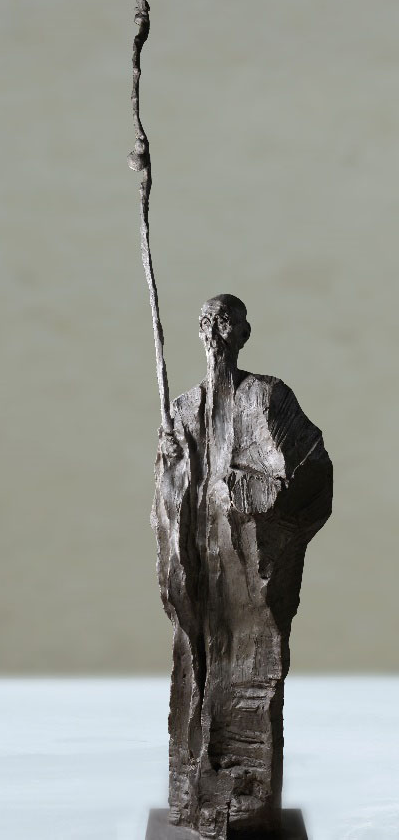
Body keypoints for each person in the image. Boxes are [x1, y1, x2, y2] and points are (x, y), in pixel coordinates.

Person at [152, 294, 332, 839]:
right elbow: (168, 498)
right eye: (206, 320)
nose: (214, 329)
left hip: (249, 563)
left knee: (250, 671)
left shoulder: (268, 397)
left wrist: (251, 490)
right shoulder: (183, 409)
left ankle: (245, 800)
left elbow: (310, 470)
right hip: (200, 561)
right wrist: (171, 467)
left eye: (224, 319)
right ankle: (194, 790)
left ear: (243, 333)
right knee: (198, 663)